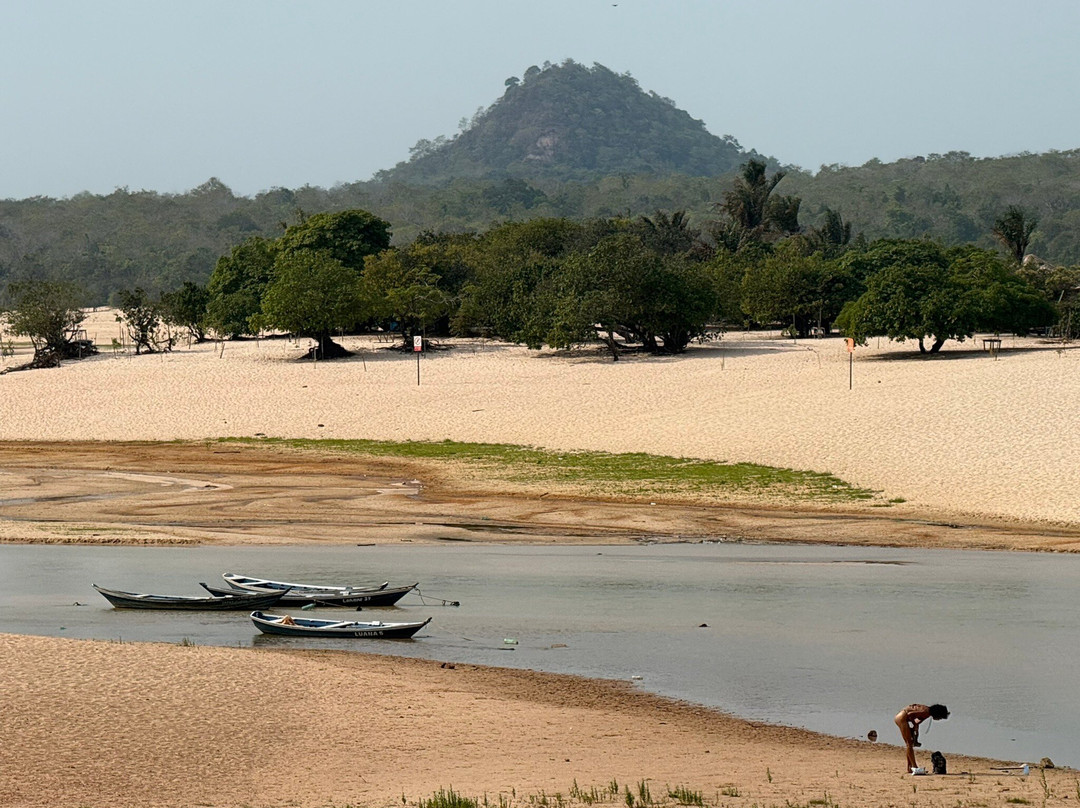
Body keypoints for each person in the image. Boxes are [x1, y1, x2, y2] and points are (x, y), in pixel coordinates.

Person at [895, 703, 949, 772]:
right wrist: (913, 725)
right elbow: (910, 714)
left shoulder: (927, 713)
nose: (939, 719)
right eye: (940, 717)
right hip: (902, 718)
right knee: (909, 744)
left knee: (910, 743)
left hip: (904, 718)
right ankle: (915, 767)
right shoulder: (925, 711)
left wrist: (915, 730)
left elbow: (917, 722)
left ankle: (910, 767)